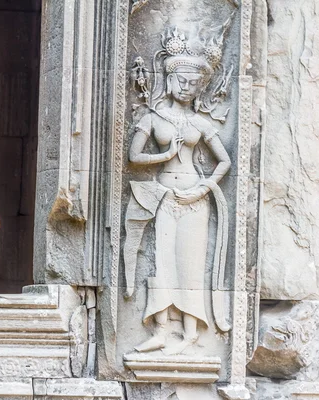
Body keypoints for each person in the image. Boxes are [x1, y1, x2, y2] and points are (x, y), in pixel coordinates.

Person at [124, 28, 231, 354]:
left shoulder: (201, 123)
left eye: (194, 83)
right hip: (165, 197)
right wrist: (165, 156)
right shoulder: (154, 118)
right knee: (163, 261)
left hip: (195, 201)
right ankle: (159, 330)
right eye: (181, 81)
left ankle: (190, 334)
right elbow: (133, 156)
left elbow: (224, 162)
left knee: (191, 263)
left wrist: (203, 189)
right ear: (169, 80)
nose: (186, 87)